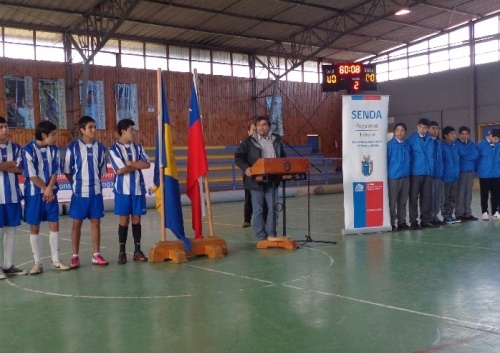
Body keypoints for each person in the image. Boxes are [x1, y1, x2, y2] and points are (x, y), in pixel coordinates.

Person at [22, 121, 70, 274]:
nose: (56, 137)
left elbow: (56, 170)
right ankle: (37, 263)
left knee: (54, 224)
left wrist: (49, 189)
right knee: (34, 226)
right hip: (34, 194)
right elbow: (31, 175)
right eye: (53, 134)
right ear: (44, 135)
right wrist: (45, 189)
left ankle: (55, 260)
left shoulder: (54, 149)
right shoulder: (27, 150)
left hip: (50, 192)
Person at [63, 116, 109, 268]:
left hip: (95, 192)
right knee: (77, 224)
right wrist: (76, 184)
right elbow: (68, 171)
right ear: (82, 130)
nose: (94, 130)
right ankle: (75, 256)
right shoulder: (73, 147)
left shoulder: (101, 148)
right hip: (79, 193)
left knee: (96, 222)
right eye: (90, 127)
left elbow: (102, 170)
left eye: (95, 127)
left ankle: (96, 254)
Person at [235, 116, 286, 240]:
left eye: (264, 125)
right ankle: (260, 236)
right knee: (258, 210)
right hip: (255, 181)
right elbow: (239, 157)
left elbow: (283, 157)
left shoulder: (276, 140)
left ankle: (271, 233)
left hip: (273, 180)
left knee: (273, 208)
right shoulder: (248, 141)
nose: (261, 127)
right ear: (256, 127)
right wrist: (246, 168)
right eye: (258, 125)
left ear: (268, 126)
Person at [109, 119, 150, 264]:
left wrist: (131, 163)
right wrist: (137, 165)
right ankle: (122, 252)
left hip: (138, 189)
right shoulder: (114, 149)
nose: (134, 132)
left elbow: (147, 164)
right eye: (131, 130)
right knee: (124, 219)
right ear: (123, 131)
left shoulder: (138, 147)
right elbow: (120, 170)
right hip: (122, 190)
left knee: (137, 219)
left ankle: (137, 251)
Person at [0, 116, 27, 278]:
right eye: (1, 127)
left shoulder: (16, 147)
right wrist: (10, 164)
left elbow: (20, 169)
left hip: (13, 197)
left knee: (11, 231)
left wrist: (5, 166)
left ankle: (8, 265)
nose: (4, 130)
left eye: (6, 126)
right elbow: (13, 166)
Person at [406, 118, 438, 229]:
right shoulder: (411, 139)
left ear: (428, 129)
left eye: (425, 128)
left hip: (428, 173)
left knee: (427, 198)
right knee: (413, 198)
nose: (422, 130)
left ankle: (426, 220)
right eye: (421, 127)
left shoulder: (431, 139)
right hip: (415, 173)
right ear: (417, 126)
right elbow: (408, 157)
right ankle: (413, 221)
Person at [387, 123, 410, 231]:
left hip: (405, 177)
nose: (400, 132)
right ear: (394, 132)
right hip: (394, 178)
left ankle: (402, 222)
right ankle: (391, 223)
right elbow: (386, 161)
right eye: (398, 130)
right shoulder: (389, 145)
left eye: (402, 130)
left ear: (405, 132)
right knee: (392, 202)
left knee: (403, 202)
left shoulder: (407, 145)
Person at [455, 126, 479, 221]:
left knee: (469, 194)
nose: (465, 136)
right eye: (463, 134)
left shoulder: (472, 144)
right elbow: (459, 154)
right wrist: (468, 155)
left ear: (469, 135)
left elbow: (476, 155)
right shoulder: (456, 144)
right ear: (459, 134)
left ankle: (467, 213)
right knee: (460, 194)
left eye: (466, 134)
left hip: (470, 172)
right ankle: (459, 214)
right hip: (460, 172)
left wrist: (465, 155)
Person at [476, 129, 500, 220]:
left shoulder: (498, 145)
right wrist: (478, 170)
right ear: (490, 135)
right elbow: (476, 159)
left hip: (496, 174)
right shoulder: (480, 145)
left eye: (498, 139)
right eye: (495, 138)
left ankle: (495, 211)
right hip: (484, 174)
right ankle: (484, 212)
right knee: (484, 194)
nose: (496, 140)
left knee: (496, 194)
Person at [440, 126, 461, 224]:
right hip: (445, 177)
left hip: (454, 176)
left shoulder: (454, 146)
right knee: (445, 197)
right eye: (452, 134)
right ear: (445, 135)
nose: (454, 135)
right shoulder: (442, 146)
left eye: (454, 133)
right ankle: (445, 216)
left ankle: (450, 215)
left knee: (452, 197)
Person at [429, 121, 445, 225]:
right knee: (430, 197)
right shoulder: (426, 141)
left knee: (438, 198)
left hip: (439, 174)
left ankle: (435, 216)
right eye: (433, 128)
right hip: (429, 174)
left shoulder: (439, 142)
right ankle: (429, 218)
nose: (435, 130)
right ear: (429, 129)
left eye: (437, 129)